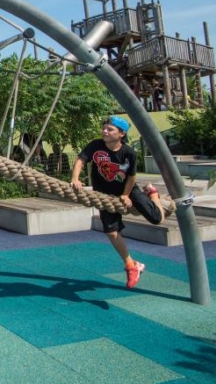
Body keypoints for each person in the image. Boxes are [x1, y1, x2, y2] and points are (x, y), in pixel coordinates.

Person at [71, 116, 169, 289]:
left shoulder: (129, 153)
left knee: (156, 219)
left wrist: (126, 194)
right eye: (104, 128)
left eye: (110, 129)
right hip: (104, 194)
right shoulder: (96, 145)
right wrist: (75, 179)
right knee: (111, 232)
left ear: (121, 134)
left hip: (128, 190)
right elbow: (80, 160)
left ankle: (153, 195)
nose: (104, 131)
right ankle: (132, 266)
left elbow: (131, 177)